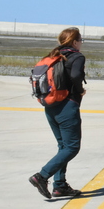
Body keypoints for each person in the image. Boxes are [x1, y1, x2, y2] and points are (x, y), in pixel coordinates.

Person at [28, 27, 86, 199]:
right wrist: (79, 90)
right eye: (81, 40)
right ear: (75, 42)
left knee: (63, 146)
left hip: (51, 106)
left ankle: (59, 185)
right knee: (72, 147)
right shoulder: (77, 56)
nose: (82, 43)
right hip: (67, 107)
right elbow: (75, 75)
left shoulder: (53, 55)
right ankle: (41, 176)